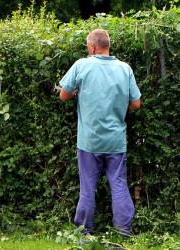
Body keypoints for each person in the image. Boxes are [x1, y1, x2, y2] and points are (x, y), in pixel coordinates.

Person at [59, 28, 141, 236]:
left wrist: (76, 92)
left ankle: (84, 232)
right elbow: (136, 103)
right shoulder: (125, 68)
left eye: (88, 47)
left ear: (93, 47)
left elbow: (64, 95)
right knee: (119, 185)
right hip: (115, 141)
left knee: (87, 188)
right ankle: (123, 231)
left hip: (89, 141)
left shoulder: (82, 65)